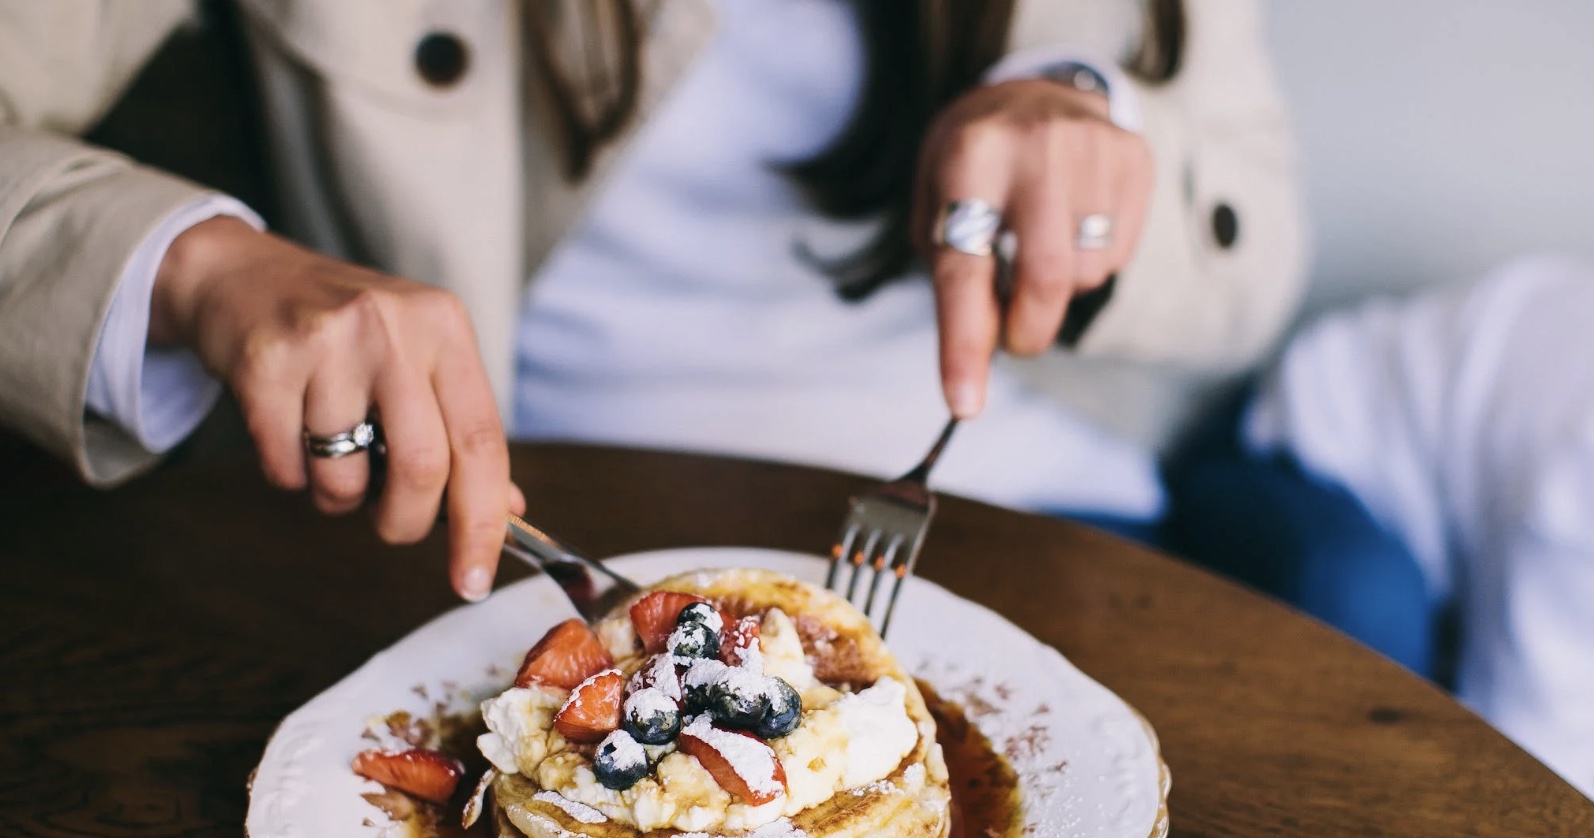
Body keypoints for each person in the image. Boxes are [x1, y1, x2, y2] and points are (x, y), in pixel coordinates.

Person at [0, 0, 1306, 603]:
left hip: (989, 496)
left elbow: (1252, 275)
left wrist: (1085, 118)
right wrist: (201, 263)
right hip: (520, 521)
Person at [1218, 258, 1593, 799]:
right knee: (1373, 630)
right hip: (1296, 449)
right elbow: (1530, 766)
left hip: (1463, 535)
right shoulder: (1582, 468)